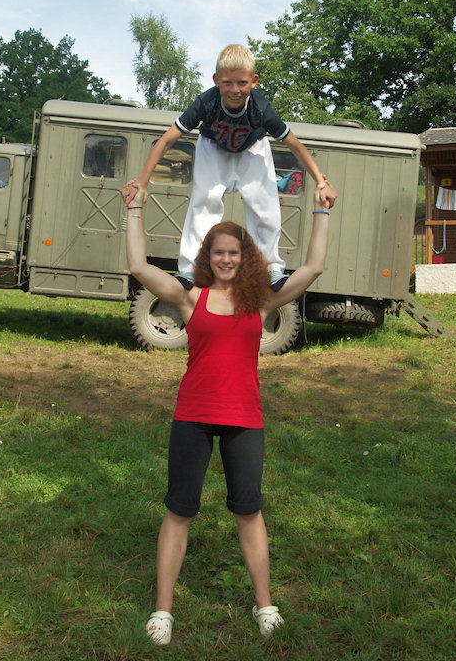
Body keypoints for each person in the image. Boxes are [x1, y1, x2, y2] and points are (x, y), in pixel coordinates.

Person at [125, 181, 330, 645]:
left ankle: (265, 605)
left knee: (249, 512)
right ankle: (163, 611)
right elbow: (138, 266)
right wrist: (134, 209)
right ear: (208, 255)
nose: (226, 260)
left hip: (244, 419)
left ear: (246, 256)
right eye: (218, 252)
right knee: (179, 511)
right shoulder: (190, 297)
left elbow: (313, 267)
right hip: (193, 416)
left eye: (234, 253)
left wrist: (322, 211)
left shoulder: (260, 301)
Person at [122, 43, 336, 290]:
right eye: (227, 83)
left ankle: (269, 267)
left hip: (253, 150)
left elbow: (295, 146)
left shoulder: (261, 108)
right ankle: (192, 268)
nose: (235, 90)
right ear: (216, 80)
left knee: (264, 206)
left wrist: (321, 182)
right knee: (204, 202)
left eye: (242, 83)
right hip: (213, 149)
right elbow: (167, 140)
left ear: (254, 81)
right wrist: (143, 182)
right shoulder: (206, 103)